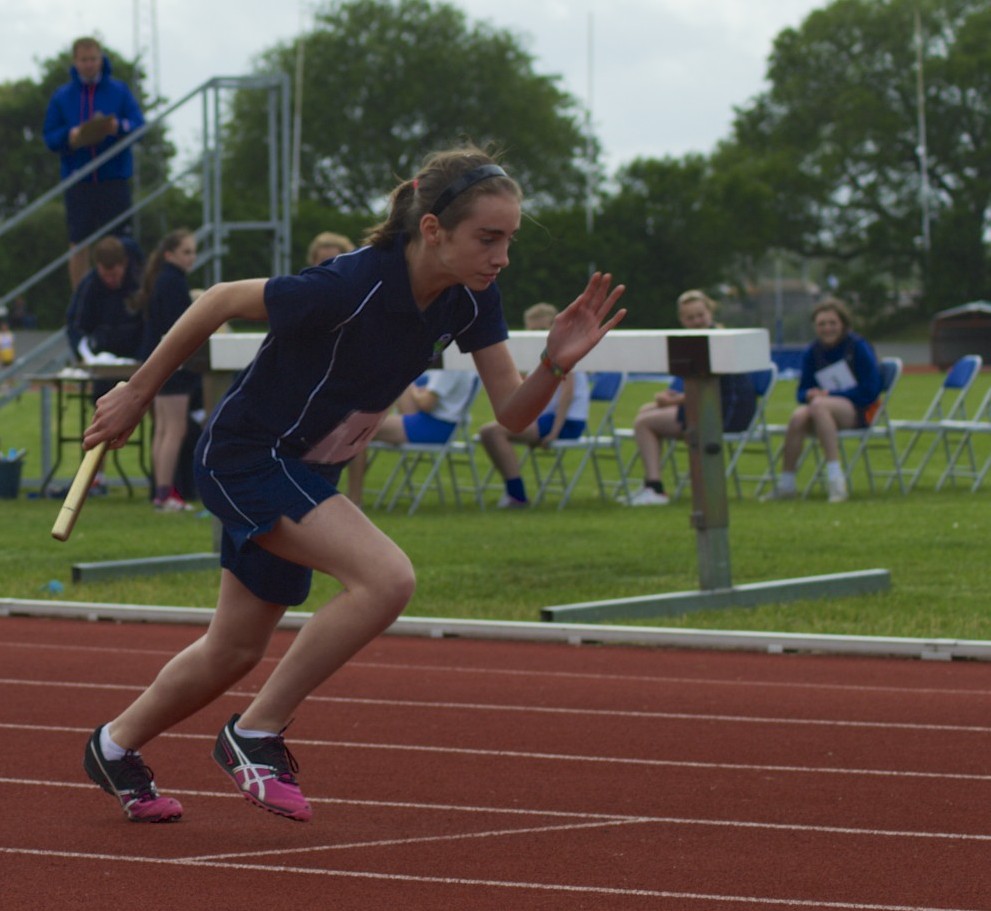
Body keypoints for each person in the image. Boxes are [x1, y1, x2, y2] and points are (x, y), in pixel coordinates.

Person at [79, 144, 626, 824]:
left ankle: (114, 745)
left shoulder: (470, 297)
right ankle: (254, 733)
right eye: (488, 238)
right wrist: (137, 391)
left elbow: (513, 413)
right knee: (386, 578)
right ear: (433, 229)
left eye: (509, 239)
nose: (502, 257)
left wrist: (553, 362)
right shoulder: (347, 284)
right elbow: (218, 299)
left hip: (308, 468)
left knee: (235, 648)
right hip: (247, 456)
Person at [627, 290, 756, 506]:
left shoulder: (718, 341)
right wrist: (669, 397)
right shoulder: (694, 341)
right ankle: (652, 485)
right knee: (646, 410)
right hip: (706, 406)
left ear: (710, 313)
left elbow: (710, 391)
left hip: (727, 413)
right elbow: (689, 385)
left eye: (700, 315)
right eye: (690, 318)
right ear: (682, 320)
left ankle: (654, 487)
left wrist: (672, 401)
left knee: (644, 423)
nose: (697, 321)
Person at [43, 36, 145, 290]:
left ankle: (126, 296)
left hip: (114, 178)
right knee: (79, 242)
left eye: (93, 59)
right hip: (79, 179)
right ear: (75, 62)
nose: (89, 64)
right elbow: (50, 136)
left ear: (101, 59)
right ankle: (81, 299)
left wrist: (118, 126)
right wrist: (70, 136)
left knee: (121, 241)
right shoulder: (62, 96)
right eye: (84, 60)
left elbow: (139, 125)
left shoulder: (119, 90)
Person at [765, 297, 881, 504]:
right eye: (822, 324)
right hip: (823, 409)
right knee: (799, 416)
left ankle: (836, 481)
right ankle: (787, 484)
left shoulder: (858, 347)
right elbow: (801, 392)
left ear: (843, 324)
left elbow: (871, 390)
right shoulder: (812, 351)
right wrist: (809, 394)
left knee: (819, 405)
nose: (827, 328)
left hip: (859, 409)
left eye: (832, 323)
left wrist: (833, 395)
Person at [477, 302, 591, 508]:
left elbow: (567, 395)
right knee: (489, 432)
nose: (537, 336)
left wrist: (554, 432)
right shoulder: (540, 353)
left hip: (565, 422)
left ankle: (516, 495)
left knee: (493, 432)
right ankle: (515, 493)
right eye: (532, 331)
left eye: (541, 330)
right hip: (545, 418)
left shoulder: (565, 350)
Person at [133, 229, 201, 511]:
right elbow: (178, 328)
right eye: (186, 252)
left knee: (162, 429)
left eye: (193, 252)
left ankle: (161, 492)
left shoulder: (161, 280)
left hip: (158, 362)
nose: (191, 257)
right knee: (174, 428)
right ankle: (165, 493)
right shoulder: (173, 282)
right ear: (169, 254)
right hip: (172, 364)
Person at [346, 368, 477, 505]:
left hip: (433, 426)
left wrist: (413, 389)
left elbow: (426, 404)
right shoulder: (460, 369)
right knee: (360, 427)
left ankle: (354, 498)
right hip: (437, 425)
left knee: (357, 430)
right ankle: (353, 491)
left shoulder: (449, 371)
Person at [66, 235, 143, 364]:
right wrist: (82, 355)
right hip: (101, 355)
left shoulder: (139, 283)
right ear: (98, 267)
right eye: (105, 275)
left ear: (124, 263)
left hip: (136, 355)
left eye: (114, 275)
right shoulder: (89, 286)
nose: (110, 280)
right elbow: (75, 325)